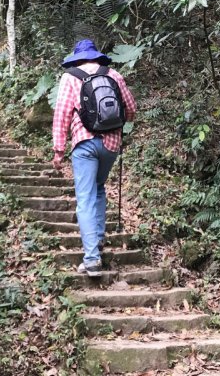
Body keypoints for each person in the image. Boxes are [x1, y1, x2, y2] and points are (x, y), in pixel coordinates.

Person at [52, 39, 136, 277]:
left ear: (77, 58)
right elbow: (130, 110)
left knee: (85, 197)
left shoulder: (70, 77)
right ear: (96, 56)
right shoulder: (113, 74)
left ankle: (91, 259)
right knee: (98, 188)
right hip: (111, 145)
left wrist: (59, 150)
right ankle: (97, 241)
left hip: (84, 143)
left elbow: (62, 115)